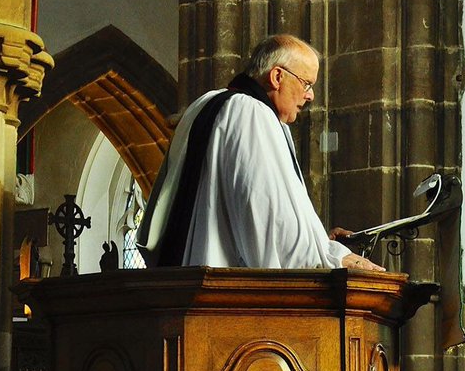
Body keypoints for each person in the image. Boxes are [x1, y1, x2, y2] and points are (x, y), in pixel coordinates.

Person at [137, 34, 384, 272]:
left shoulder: (204, 104)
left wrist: (316, 237)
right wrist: (333, 257)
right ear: (277, 76)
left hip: (187, 281)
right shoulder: (252, 114)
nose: (310, 95)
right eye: (306, 83)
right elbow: (269, 224)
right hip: (225, 297)